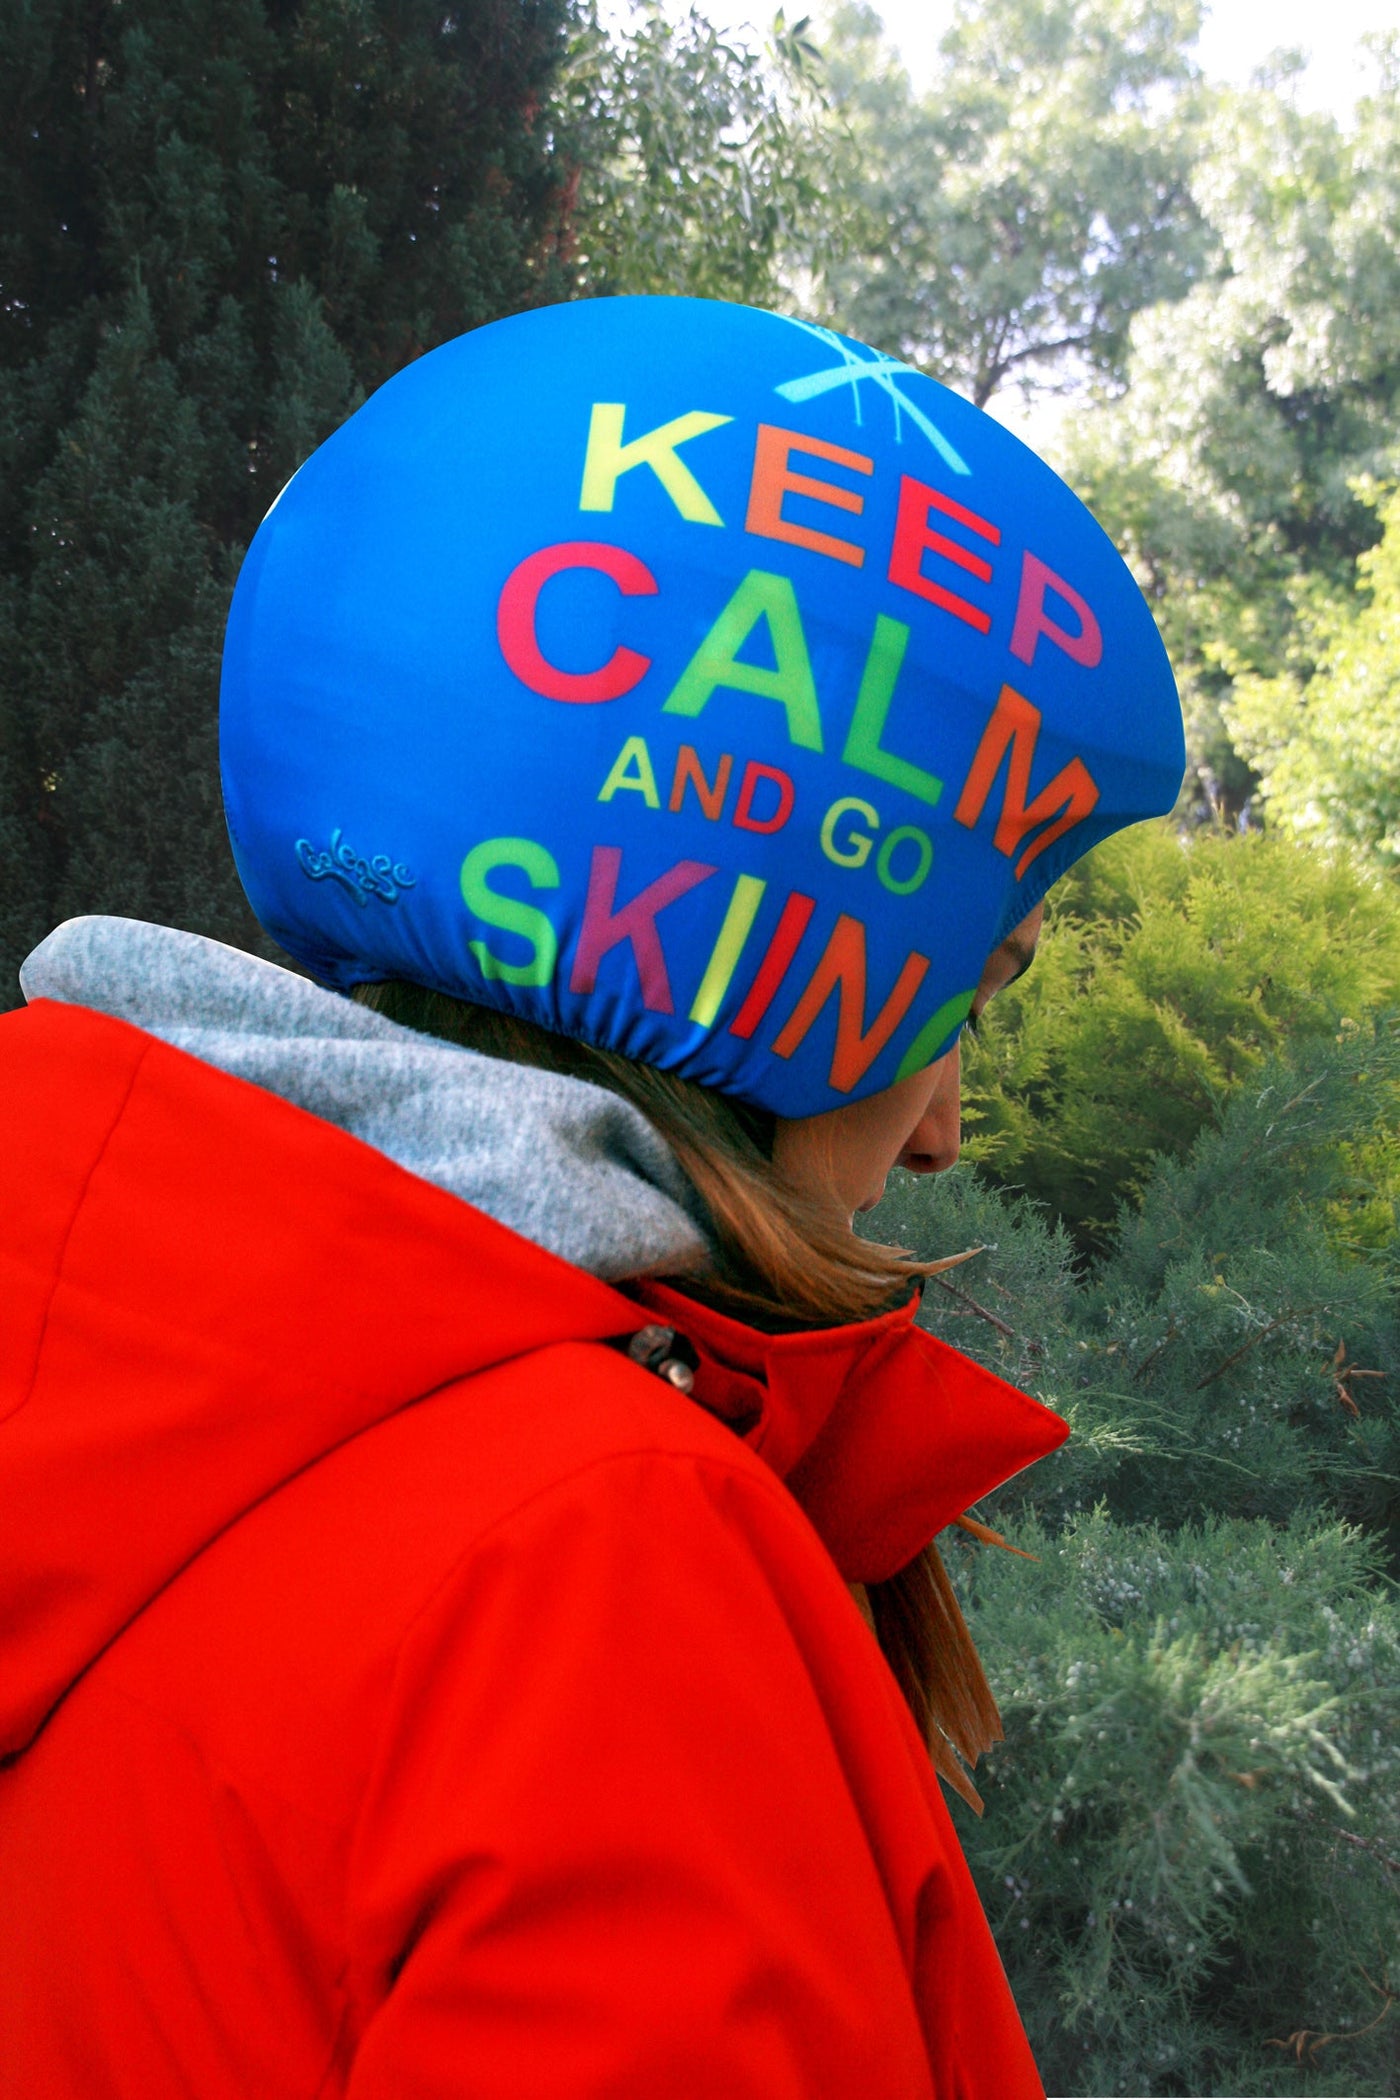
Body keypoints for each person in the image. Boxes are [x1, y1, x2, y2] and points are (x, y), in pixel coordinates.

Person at [0, 297, 1184, 2097]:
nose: (942, 1129)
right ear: (785, 957)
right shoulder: (590, 1569)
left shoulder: (92, 1356)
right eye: (973, 989)